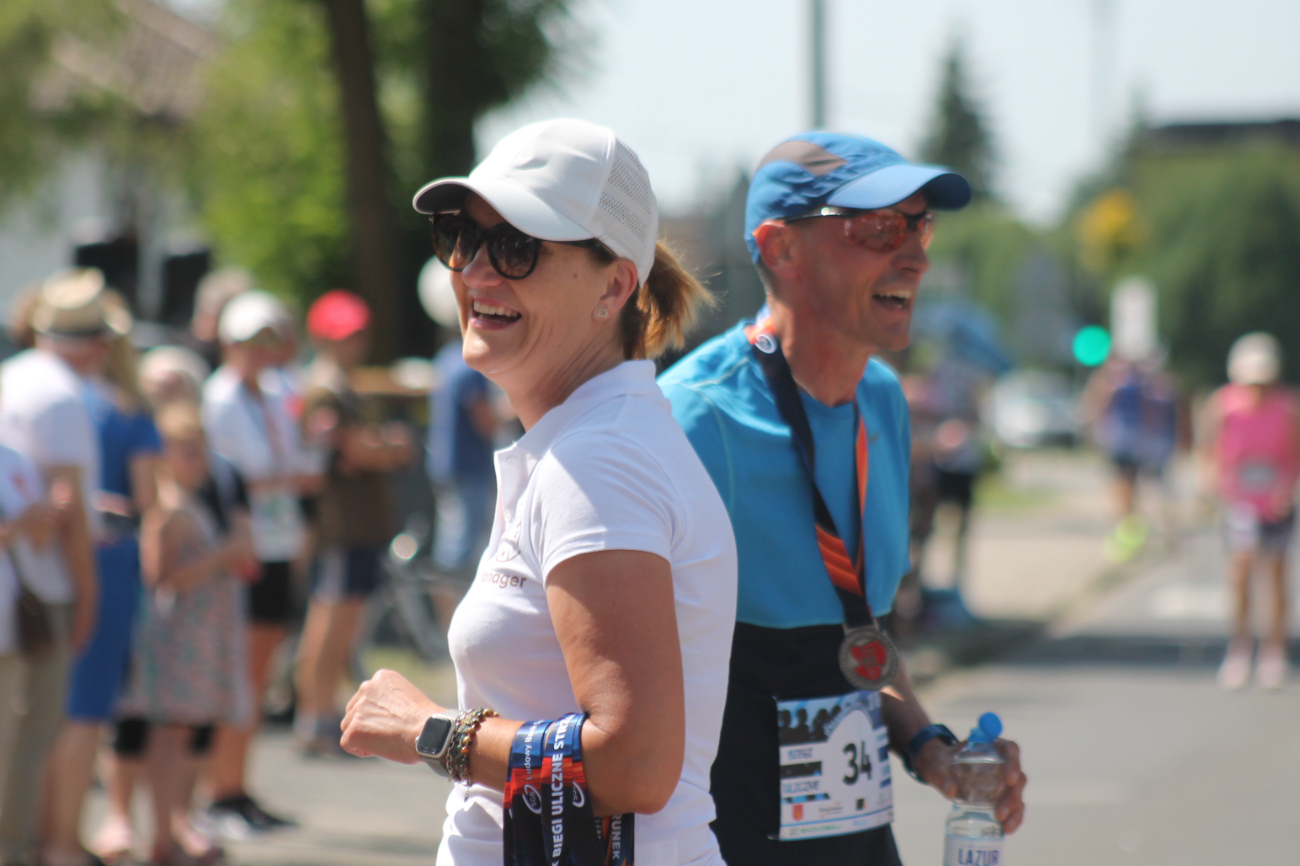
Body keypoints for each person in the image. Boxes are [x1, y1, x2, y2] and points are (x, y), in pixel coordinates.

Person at [339, 118, 738, 866]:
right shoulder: (584, 442)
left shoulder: (600, 461)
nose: (477, 271)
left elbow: (635, 765)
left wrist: (430, 729)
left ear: (615, 285)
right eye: (462, 237)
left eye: (517, 247)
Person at [658, 132, 1027, 865]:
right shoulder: (693, 421)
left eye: (920, 226)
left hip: (853, 839)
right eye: (879, 228)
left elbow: (857, 650)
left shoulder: (882, 403)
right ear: (781, 248)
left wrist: (931, 748)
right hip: (721, 840)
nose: (916, 255)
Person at [45, 293, 163, 866]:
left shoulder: (32, 394)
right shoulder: (124, 407)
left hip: (43, 559)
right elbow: (146, 499)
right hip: (107, 557)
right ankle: (63, 838)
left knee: (47, 700)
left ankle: (46, 831)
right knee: (86, 706)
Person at [116, 402, 258, 866]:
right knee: (167, 736)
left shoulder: (200, 500)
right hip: (175, 637)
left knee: (185, 733)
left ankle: (174, 826)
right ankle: (161, 832)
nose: (198, 461)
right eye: (188, 452)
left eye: (201, 451)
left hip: (201, 634)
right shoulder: (168, 509)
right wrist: (221, 556)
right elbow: (162, 576)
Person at [0, 269, 102, 866]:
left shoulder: (19, 390)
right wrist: (89, 595)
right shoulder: (59, 393)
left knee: (29, 738)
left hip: (26, 592)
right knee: (22, 738)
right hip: (34, 594)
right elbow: (65, 519)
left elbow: (56, 511)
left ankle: (18, 847)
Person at [201, 290, 312, 832]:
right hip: (247, 548)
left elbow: (288, 463)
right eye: (249, 341)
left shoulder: (272, 392)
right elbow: (240, 475)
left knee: (260, 669)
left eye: (268, 340)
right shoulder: (219, 398)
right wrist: (285, 475)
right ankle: (220, 790)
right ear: (228, 343)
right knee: (239, 675)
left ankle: (237, 786)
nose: (261, 351)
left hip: (278, 540)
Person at [293, 290, 413, 754]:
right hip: (339, 525)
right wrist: (386, 448)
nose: (354, 345)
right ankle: (315, 715)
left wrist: (379, 447)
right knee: (329, 619)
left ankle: (322, 711)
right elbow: (354, 448)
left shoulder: (343, 385)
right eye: (343, 336)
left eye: (358, 335)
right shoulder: (325, 389)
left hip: (358, 523)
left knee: (343, 620)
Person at [1201, 333, 1300, 690]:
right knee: (1240, 573)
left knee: (1276, 576)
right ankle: (1240, 648)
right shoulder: (1224, 405)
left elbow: (1294, 455)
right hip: (1239, 501)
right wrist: (1214, 484)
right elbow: (1209, 449)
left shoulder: (1287, 408)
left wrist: (1286, 491)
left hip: (1275, 502)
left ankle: (1274, 650)